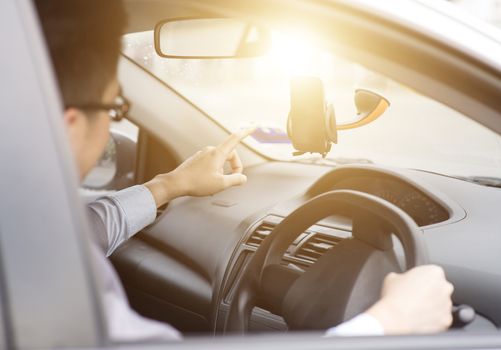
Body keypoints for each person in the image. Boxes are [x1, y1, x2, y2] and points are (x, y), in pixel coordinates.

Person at [34, 0, 454, 342]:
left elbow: (80, 231)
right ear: (68, 125)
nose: (113, 122)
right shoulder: (44, 277)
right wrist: (390, 323)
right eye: (115, 109)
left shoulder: (27, 231)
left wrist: (169, 185)